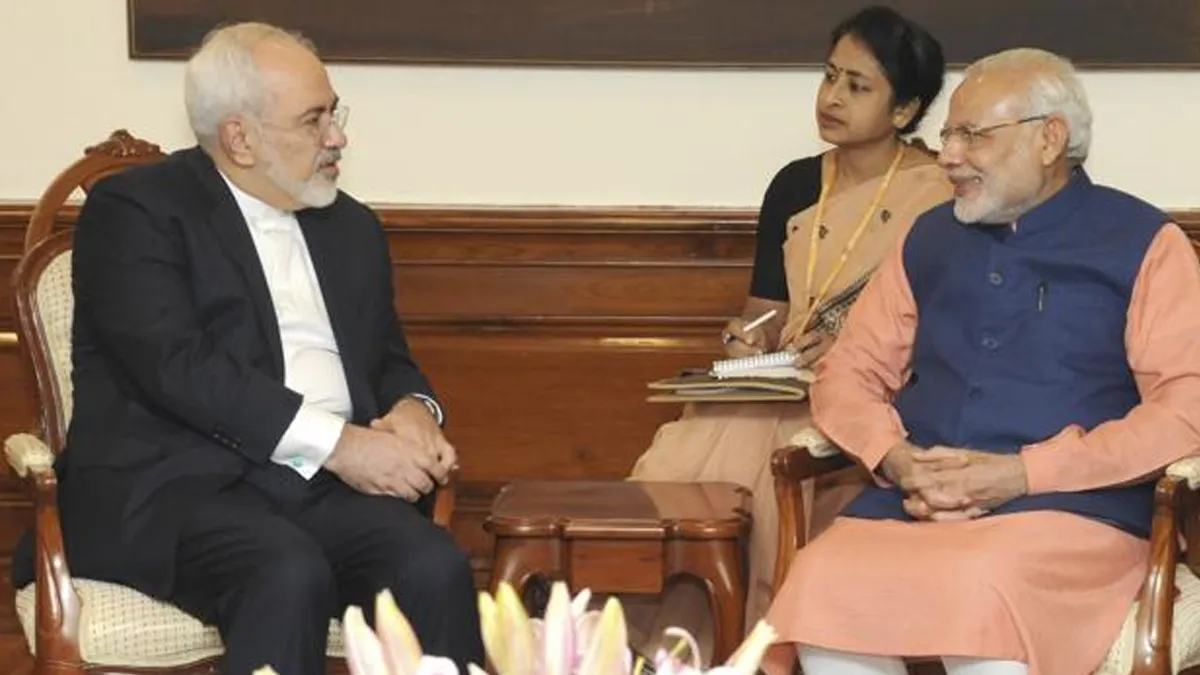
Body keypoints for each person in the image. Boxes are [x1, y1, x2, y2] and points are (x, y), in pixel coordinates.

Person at [10, 22, 483, 675]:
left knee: (432, 564)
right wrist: (341, 446)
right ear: (239, 138)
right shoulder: (136, 212)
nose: (338, 136)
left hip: (318, 491)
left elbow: (385, 357)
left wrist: (414, 407)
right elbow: (179, 367)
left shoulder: (350, 227)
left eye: (334, 113)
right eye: (314, 120)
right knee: (285, 571)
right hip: (176, 486)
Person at [764, 47, 1200, 675]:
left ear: (1049, 139)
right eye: (948, 134)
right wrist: (897, 458)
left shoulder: (1144, 243)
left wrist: (1024, 473)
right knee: (826, 577)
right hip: (916, 504)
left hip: (1073, 512)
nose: (948, 155)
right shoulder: (927, 237)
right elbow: (848, 370)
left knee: (981, 585)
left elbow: (1185, 410)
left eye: (972, 135)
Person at [623, 5, 953, 661]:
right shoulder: (796, 183)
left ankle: (747, 651)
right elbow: (767, 313)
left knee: (758, 471)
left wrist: (854, 347)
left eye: (857, 86)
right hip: (778, 388)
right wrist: (747, 338)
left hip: (871, 400)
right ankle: (689, 648)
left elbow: (945, 327)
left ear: (904, 109)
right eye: (829, 76)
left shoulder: (942, 196)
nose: (832, 97)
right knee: (690, 466)